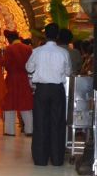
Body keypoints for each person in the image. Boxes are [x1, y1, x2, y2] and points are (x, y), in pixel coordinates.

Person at [26, 23, 71, 166]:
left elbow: (28, 68)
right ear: (57, 36)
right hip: (57, 89)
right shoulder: (63, 52)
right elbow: (68, 71)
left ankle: (40, 158)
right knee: (57, 122)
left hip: (42, 90)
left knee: (40, 122)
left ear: (45, 35)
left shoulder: (37, 51)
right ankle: (57, 158)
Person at [1, 33, 34, 136]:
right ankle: (29, 130)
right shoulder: (28, 49)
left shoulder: (9, 49)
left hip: (11, 79)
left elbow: (6, 65)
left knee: (9, 105)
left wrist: (0, 59)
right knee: (25, 105)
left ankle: (10, 131)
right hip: (24, 79)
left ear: (10, 38)